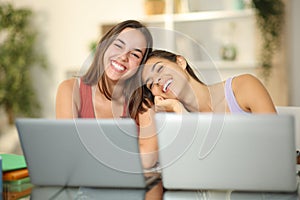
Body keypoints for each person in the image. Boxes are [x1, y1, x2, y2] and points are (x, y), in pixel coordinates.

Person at [55, 20, 158, 169]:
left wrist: (88, 149)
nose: (123, 57)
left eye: (135, 54)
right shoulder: (70, 89)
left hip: (128, 187)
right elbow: (69, 151)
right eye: (118, 45)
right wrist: (128, 154)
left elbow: (148, 160)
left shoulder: (143, 102)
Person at [139, 49, 277, 114]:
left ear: (180, 62)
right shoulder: (176, 117)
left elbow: (277, 145)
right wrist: (177, 110)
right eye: (150, 84)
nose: (157, 81)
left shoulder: (245, 86)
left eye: (160, 69)